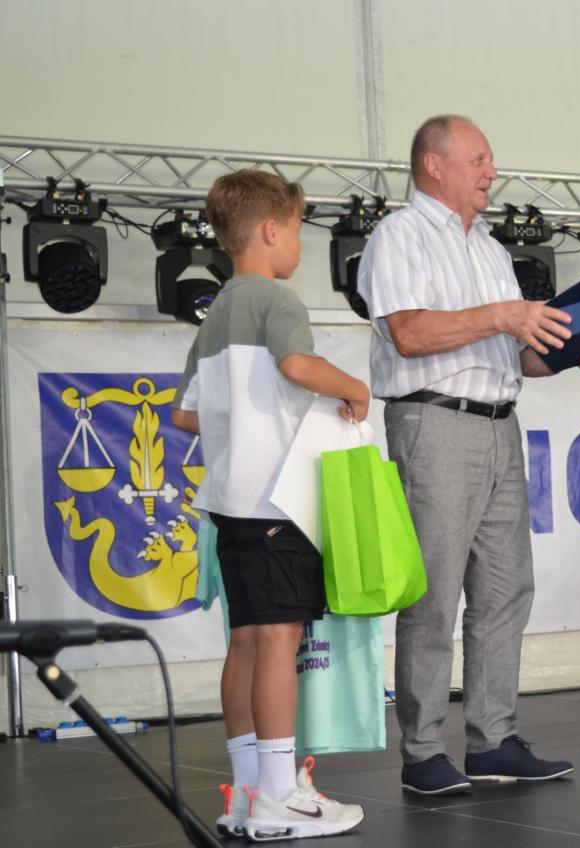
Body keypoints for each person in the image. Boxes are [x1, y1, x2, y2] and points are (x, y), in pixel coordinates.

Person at [357, 114, 580, 796]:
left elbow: (515, 355)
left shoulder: (489, 246)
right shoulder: (398, 234)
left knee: (505, 588)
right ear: (435, 165)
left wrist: (573, 351)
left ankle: (493, 740)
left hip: (500, 424)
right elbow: (408, 333)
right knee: (433, 592)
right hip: (434, 422)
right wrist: (505, 315)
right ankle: (423, 751)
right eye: (480, 159)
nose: (493, 171)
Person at [172, 170, 369, 840]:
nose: (300, 248)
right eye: (297, 232)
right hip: (278, 504)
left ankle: (247, 791)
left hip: (229, 504)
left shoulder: (215, 313)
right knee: (280, 642)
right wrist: (353, 387)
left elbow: (184, 414)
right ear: (270, 229)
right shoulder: (276, 299)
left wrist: (242, 421)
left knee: (247, 642)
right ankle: (281, 793)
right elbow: (296, 366)